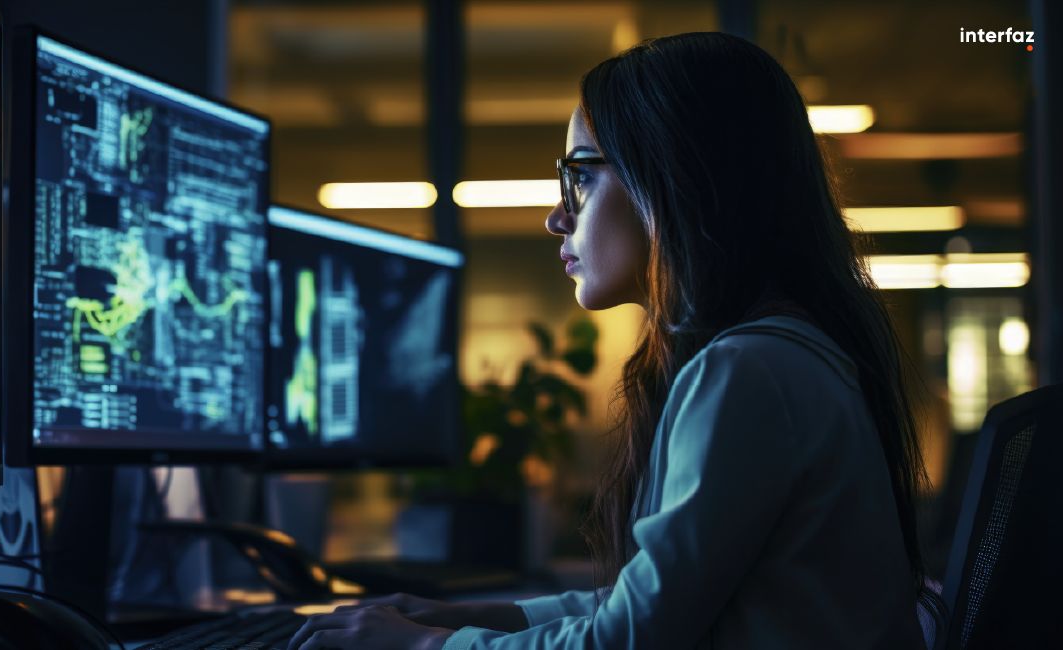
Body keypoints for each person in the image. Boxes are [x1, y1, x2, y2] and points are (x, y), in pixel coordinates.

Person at [290, 31, 930, 650]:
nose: (556, 216)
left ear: (672, 179)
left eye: (581, 177)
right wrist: (466, 616)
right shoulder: (786, 354)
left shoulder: (747, 370)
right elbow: (647, 603)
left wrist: (426, 647)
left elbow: (627, 640)